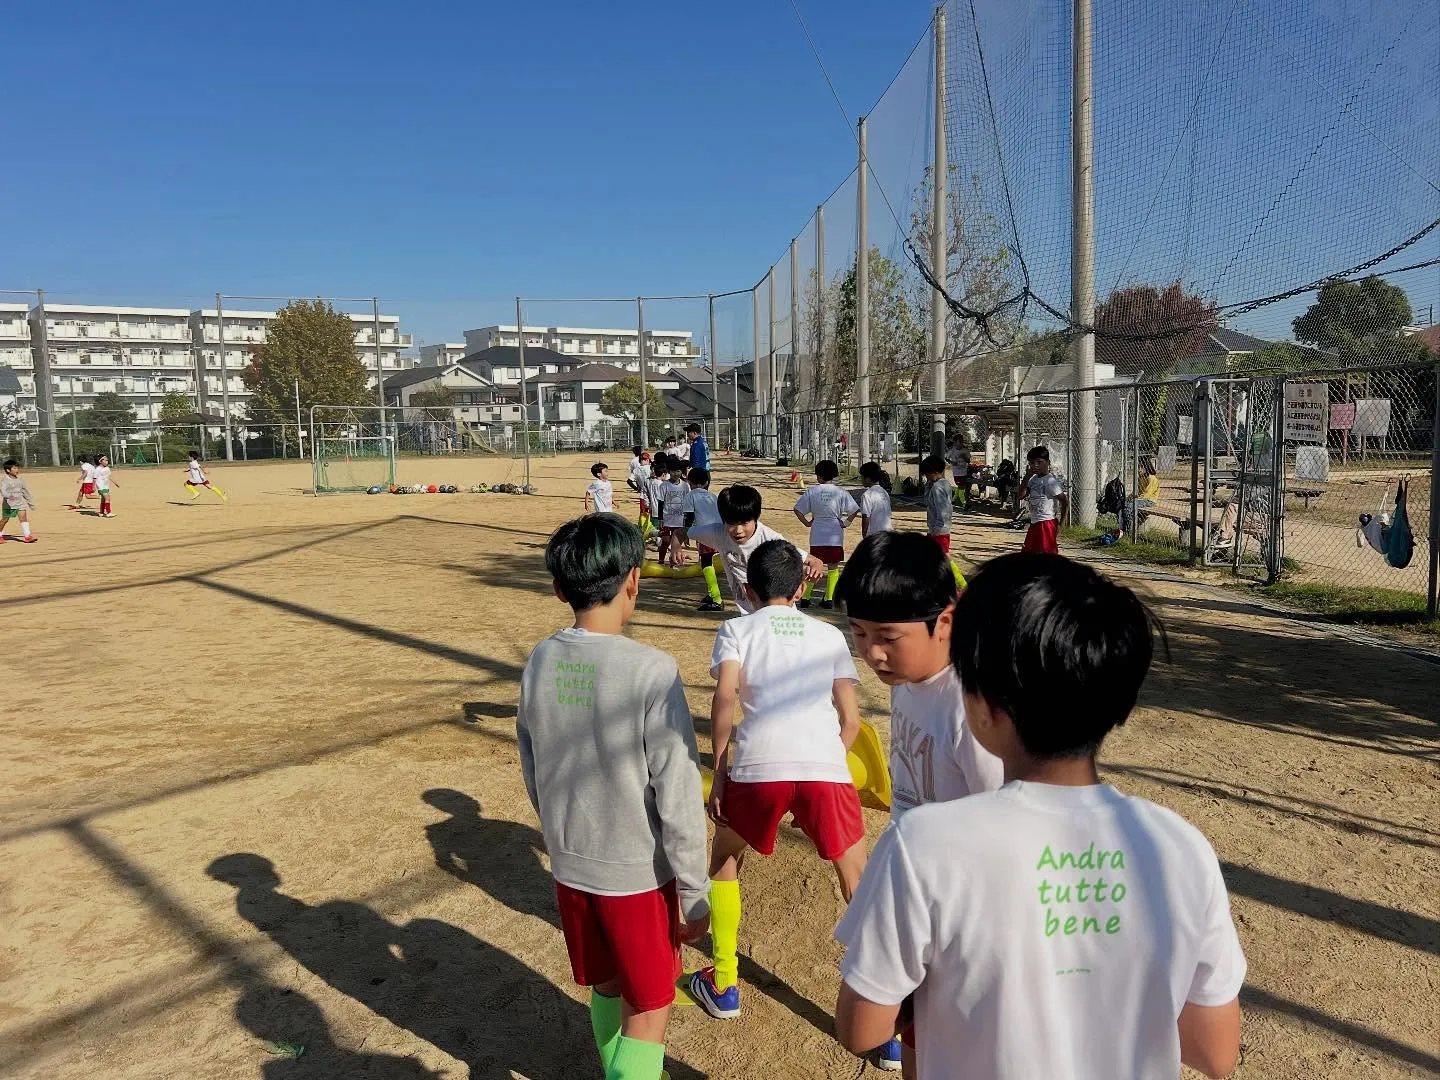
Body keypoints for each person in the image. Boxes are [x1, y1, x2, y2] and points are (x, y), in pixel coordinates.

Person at [835, 554, 1245, 1080]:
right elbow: (1215, 1053)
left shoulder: (923, 846)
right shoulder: (1181, 847)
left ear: (984, 705)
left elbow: (862, 1031)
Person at [518, 514, 710, 1080]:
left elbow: (532, 761)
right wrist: (694, 888)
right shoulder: (651, 669)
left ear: (559, 588)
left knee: (606, 984)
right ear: (634, 579)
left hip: (572, 862)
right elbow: (677, 792)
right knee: (650, 1006)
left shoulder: (540, 659)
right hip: (638, 874)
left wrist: (559, 829)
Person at [838, 531, 1005, 1072]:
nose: (872, 654)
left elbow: (1003, 819)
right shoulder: (908, 679)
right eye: (859, 634)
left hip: (962, 910)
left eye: (888, 636)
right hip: (915, 896)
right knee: (916, 1042)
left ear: (946, 621)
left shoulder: (971, 706)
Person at [689, 540, 867, 1021]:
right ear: (802, 585)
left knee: (725, 856)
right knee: (858, 884)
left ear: (747, 587)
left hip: (757, 767)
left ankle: (724, 982)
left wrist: (721, 771)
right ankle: (886, 1022)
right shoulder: (829, 635)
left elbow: (724, 699)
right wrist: (825, 762)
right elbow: (849, 719)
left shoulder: (737, 628)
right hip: (825, 768)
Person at [687, 484, 825, 615]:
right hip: (748, 615)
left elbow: (813, 561)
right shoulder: (718, 533)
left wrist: (815, 568)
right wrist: (676, 545)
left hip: (778, 613)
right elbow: (683, 532)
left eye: (744, 523)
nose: (738, 530)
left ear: (756, 517)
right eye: (731, 523)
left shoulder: (770, 539)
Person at [793, 459, 859, 609]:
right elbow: (854, 510)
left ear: (818, 476)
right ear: (834, 475)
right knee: (833, 567)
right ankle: (829, 599)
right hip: (835, 533)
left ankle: (806, 598)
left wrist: (807, 522)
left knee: (814, 565)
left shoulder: (812, 491)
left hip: (817, 533)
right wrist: (845, 523)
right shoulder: (841, 492)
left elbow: (797, 509)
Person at [683, 467, 724, 612]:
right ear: (707, 482)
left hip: (705, 532)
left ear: (689, 482)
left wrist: (686, 534)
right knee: (710, 562)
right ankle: (711, 594)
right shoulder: (712, 495)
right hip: (720, 530)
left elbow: (688, 517)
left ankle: (716, 599)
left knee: (706, 563)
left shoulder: (691, 495)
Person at [1020, 446, 1067, 554]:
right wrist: (1027, 477)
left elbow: (1065, 502)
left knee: (1046, 556)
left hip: (1046, 523)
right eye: (1032, 463)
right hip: (1035, 522)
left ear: (1047, 462)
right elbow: (1020, 496)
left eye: (1039, 462)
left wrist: (1060, 524)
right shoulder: (1033, 480)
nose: (1035, 465)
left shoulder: (1050, 481)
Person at [1116, 459, 1160, 540]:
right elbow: (1137, 490)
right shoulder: (1141, 476)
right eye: (1138, 466)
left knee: (1129, 507)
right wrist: (1129, 498)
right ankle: (1121, 529)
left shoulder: (1152, 478)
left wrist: (1134, 500)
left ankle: (1128, 532)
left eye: (1141, 467)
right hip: (1139, 499)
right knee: (1122, 506)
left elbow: (1147, 494)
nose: (1139, 469)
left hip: (1149, 501)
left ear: (1147, 467)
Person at [659, 458, 690, 568]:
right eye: (673, 471)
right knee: (666, 541)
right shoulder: (664, 485)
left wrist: (687, 519)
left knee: (675, 544)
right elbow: (660, 502)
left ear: (681, 472)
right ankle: (661, 561)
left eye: (678, 471)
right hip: (667, 519)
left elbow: (687, 502)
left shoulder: (685, 486)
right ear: (669, 471)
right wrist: (660, 519)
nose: (676, 474)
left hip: (680, 520)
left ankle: (673, 564)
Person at [920, 456, 954, 555]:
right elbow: (928, 501)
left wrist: (937, 530)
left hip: (939, 531)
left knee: (939, 560)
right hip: (935, 529)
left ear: (934, 472)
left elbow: (944, 510)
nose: (926, 476)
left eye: (927, 474)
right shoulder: (941, 484)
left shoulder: (938, 487)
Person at [0, 459, 38, 542]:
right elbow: (3, 491)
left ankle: (27, 537)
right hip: (9, 504)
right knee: (5, 520)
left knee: (23, 519)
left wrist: (30, 504)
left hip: (20, 503)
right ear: (8, 470)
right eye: (14, 468)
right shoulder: (5, 481)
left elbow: (25, 492)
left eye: (17, 468)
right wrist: (9, 496)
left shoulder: (20, 480)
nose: (17, 470)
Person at [857, 462, 893, 538]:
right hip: (888, 535)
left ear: (868, 478)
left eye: (862, 477)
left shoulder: (867, 495)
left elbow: (865, 517)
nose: (861, 479)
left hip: (874, 536)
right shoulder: (884, 492)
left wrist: (864, 536)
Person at [93, 453, 119, 518]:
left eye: (107, 460)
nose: (107, 461)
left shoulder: (107, 468)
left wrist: (115, 483)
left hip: (106, 486)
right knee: (107, 498)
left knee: (103, 500)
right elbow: (94, 478)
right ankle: (108, 512)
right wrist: (93, 486)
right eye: (105, 460)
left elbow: (109, 476)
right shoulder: (98, 469)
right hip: (101, 486)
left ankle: (101, 512)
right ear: (100, 461)